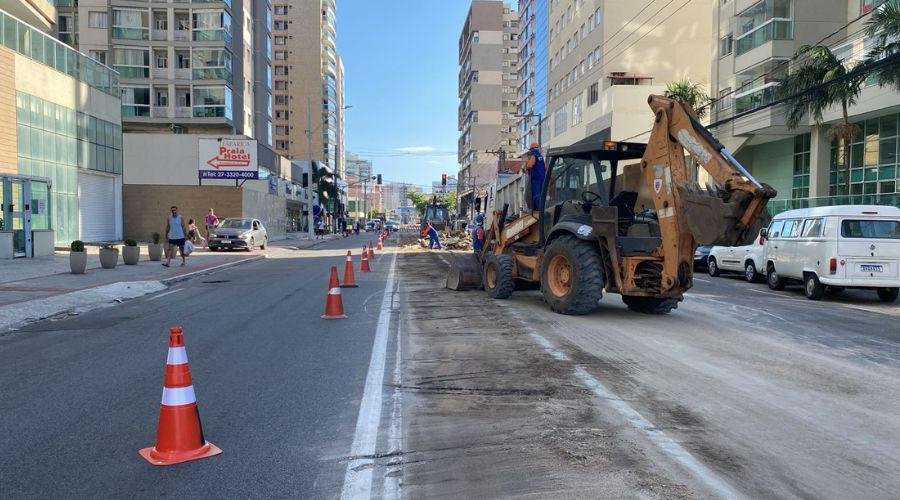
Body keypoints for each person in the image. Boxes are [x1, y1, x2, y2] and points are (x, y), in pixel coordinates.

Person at [524, 142, 546, 211]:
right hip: (542, 178)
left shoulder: (534, 156)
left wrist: (526, 165)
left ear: (532, 149)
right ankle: (542, 207)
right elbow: (545, 167)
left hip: (536, 178)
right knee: (541, 193)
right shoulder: (541, 157)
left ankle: (538, 209)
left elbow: (529, 165)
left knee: (536, 194)